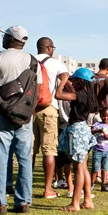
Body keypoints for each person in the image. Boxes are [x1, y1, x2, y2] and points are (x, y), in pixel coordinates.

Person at [0, 25, 41, 215]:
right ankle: (23, 201)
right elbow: (38, 91)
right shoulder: (33, 61)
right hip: (25, 116)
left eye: (5, 36)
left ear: (11, 39)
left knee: (0, 158)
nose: (2, 39)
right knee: (24, 158)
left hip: (1, 113)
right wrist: (29, 111)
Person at [31, 37, 69, 199]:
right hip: (49, 108)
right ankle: (48, 189)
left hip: (30, 110)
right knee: (49, 151)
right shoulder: (55, 63)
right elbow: (66, 77)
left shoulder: (29, 60)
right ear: (49, 48)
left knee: (30, 151)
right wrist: (60, 89)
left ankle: (26, 187)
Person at [56, 68, 98, 210]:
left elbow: (58, 95)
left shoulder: (79, 95)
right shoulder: (86, 94)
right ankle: (87, 200)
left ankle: (75, 203)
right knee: (83, 168)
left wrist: (62, 81)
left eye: (74, 80)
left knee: (78, 169)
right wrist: (67, 81)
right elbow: (71, 90)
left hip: (77, 131)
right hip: (84, 130)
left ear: (80, 81)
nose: (72, 82)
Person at [91, 107, 108, 192]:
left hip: (107, 150)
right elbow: (91, 132)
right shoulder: (97, 124)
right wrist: (98, 130)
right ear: (100, 115)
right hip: (97, 150)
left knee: (105, 168)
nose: (105, 118)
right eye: (103, 116)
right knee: (95, 167)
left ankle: (104, 184)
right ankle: (92, 183)